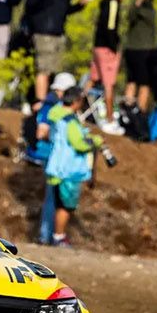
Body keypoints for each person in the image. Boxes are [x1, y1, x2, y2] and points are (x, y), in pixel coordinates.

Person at [41, 86, 102, 249]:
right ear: (76, 101)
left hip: (55, 165)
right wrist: (94, 141)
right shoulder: (69, 121)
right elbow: (78, 143)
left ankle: (46, 236)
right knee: (65, 206)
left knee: (52, 203)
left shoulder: (55, 115)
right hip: (68, 169)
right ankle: (59, 237)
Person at [21, 0, 87, 100]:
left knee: (53, 71)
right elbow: (29, 5)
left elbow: (63, 11)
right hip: (44, 34)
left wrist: (80, 5)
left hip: (58, 35)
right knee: (43, 70)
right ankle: (40, 101)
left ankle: (47, 100)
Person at [120, 0, 157, 114]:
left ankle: (130, 115)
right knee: (143, 84)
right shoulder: (138, 2)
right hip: (139, 50)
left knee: (134, 82)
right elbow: (129, 16)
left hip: (144, 49)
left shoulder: (151, 5)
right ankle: (137, 116)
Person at [91, 0, 127, 100]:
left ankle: (77, 109)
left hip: (97, 45)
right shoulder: (113, 3)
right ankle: (110, 117)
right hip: (106, 48)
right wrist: (114, 48)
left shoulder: (106, 3)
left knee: (93, 79)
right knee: (109, 83)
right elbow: (110, 27)